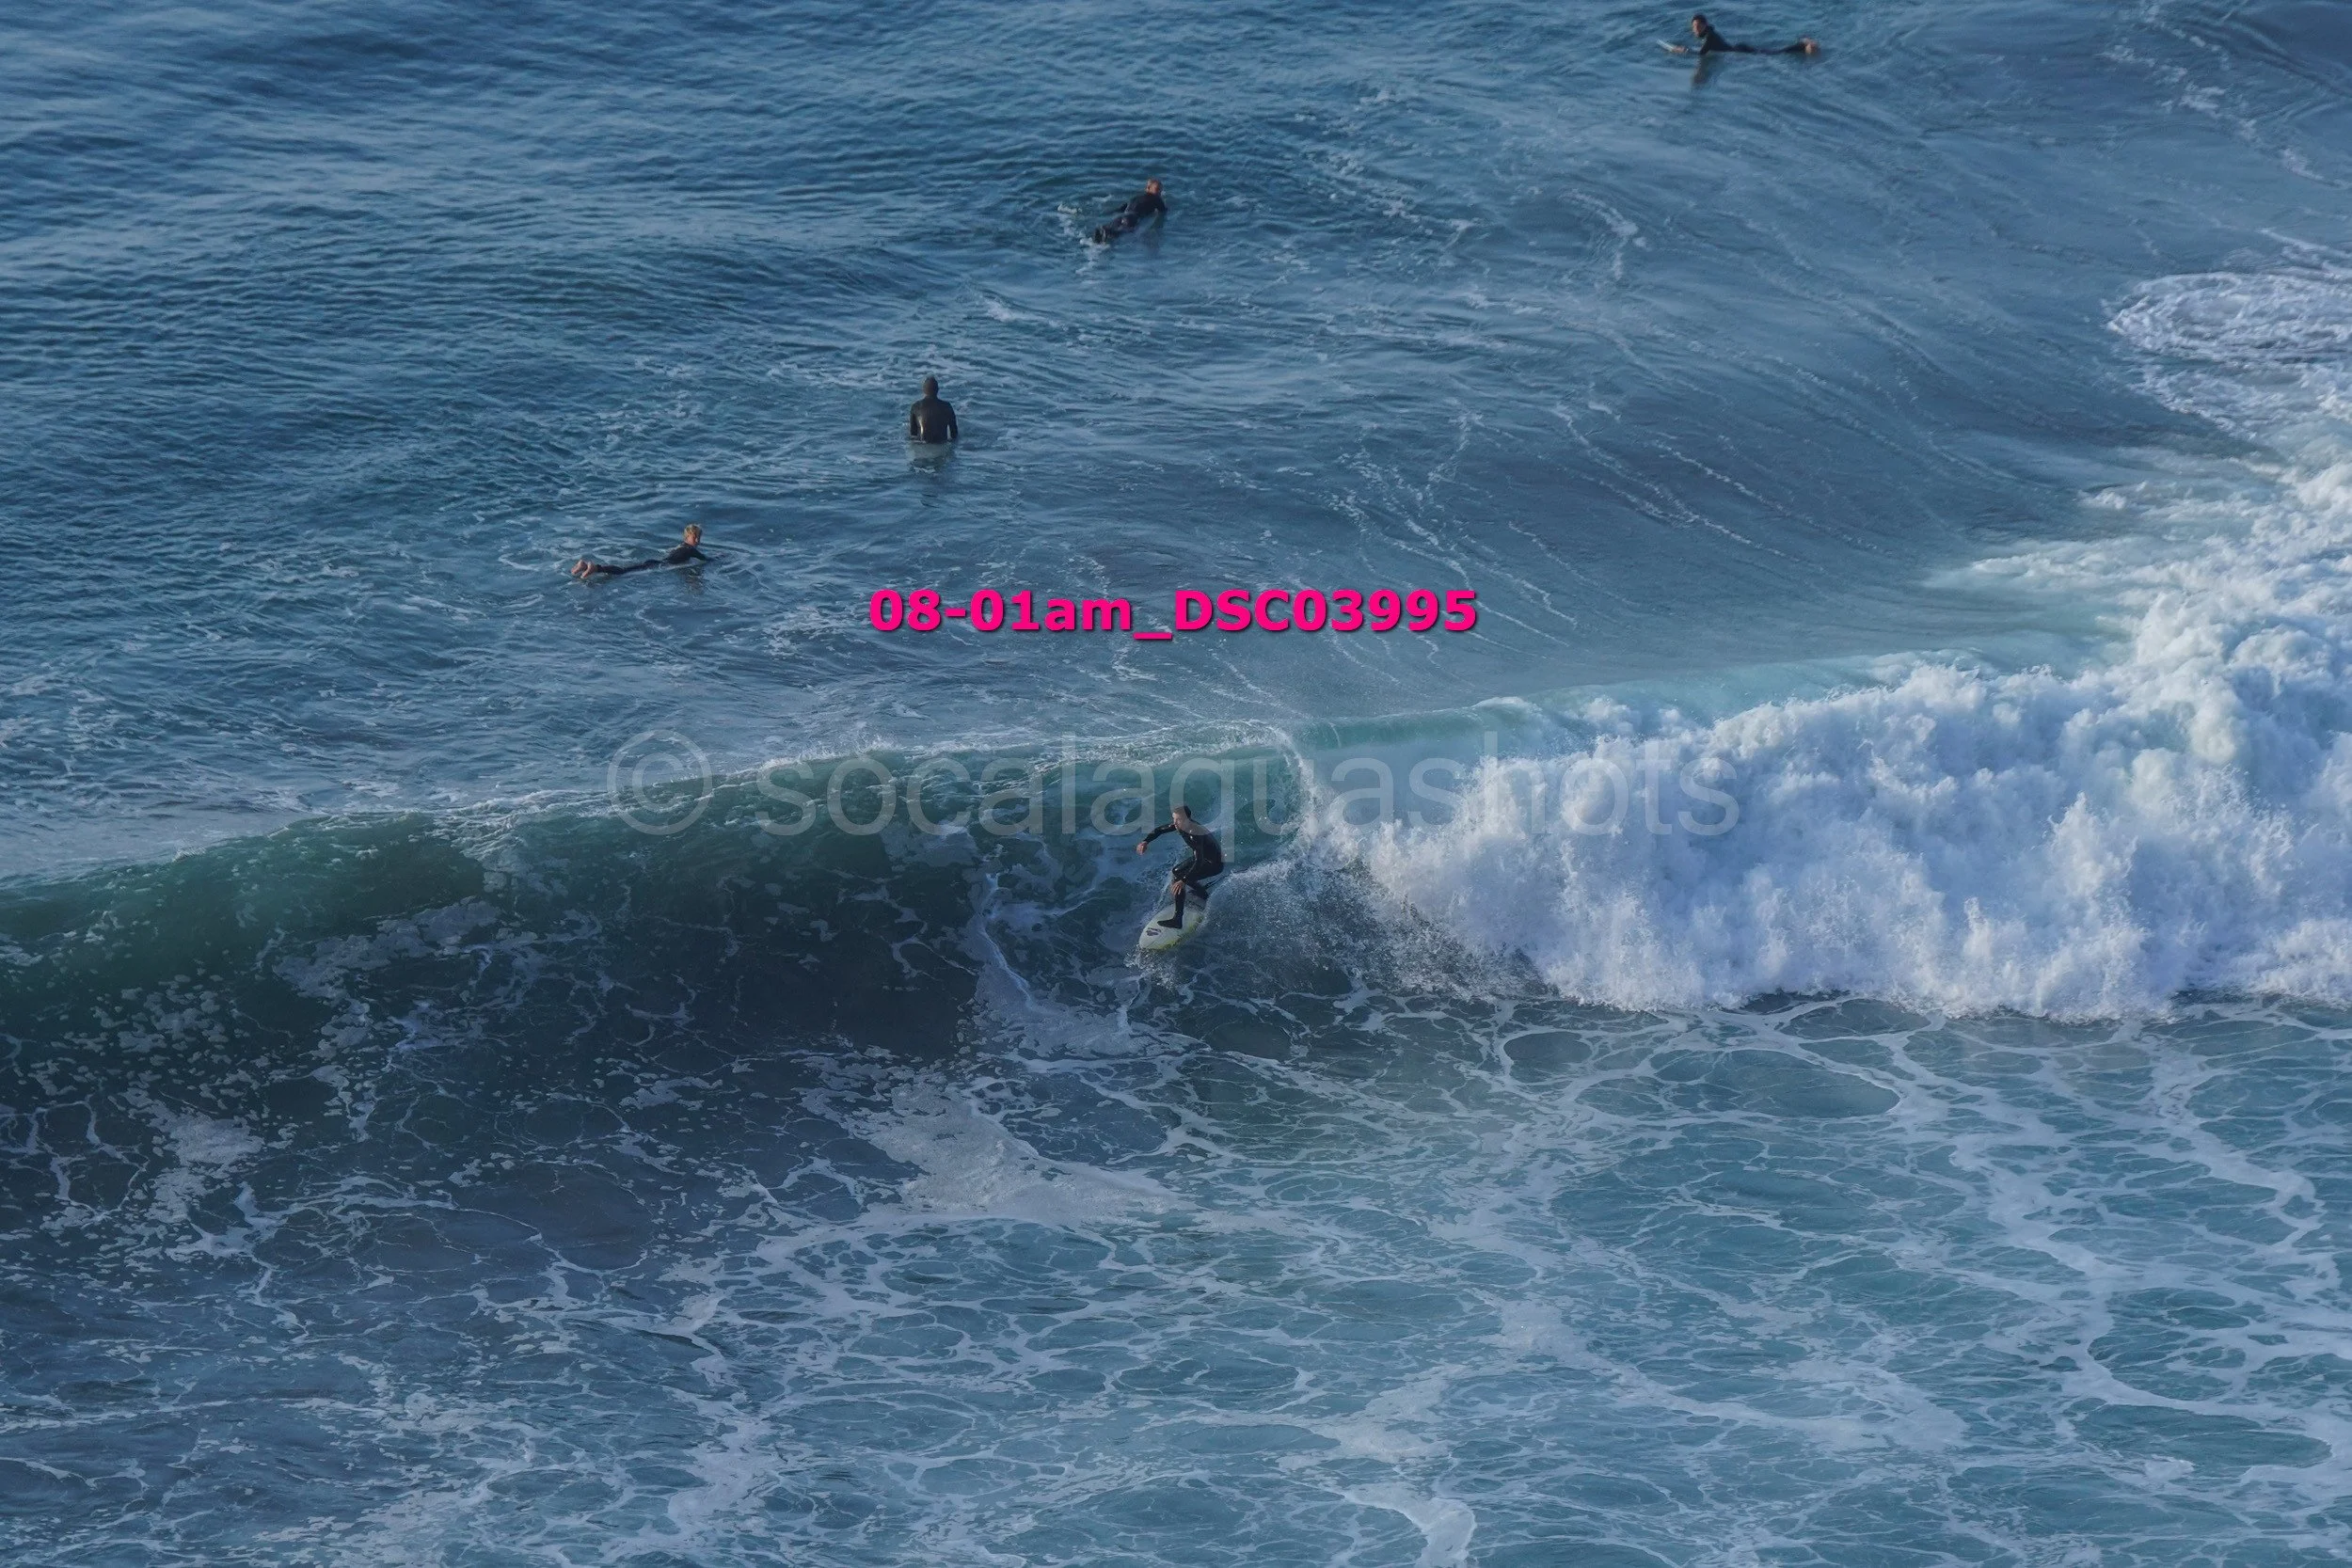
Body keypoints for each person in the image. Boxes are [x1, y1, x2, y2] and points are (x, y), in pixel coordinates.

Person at [1136, 802, 1223, 930]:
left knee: (1179, 878)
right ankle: (1202, 892)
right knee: (1176, 871)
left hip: (1214, 864)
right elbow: (1159, 830)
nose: (1175, 823)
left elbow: (1198, 862)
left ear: (1187, 819)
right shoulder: (1181, 825)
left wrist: (1183, 881)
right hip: (1205, 857)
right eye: (1173, 819)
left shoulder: (1194, 834)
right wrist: (1145, 841)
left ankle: (1177, 920)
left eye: (1178, 820)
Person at [572, 523, 710, 580]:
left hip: (656, 562)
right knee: (623, 572)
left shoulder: (680, 546)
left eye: (699, 537)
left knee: (626, 569)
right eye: (695, 537)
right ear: (687, 537)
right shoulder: (691, 550)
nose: (697, 540)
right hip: (658, 565)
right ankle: (595, 567)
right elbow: (705, 559)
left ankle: (585, 566)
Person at [1667, 12, 1818, 54]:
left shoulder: (1710, 36)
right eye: (1694, 26)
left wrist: (1682, 50)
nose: (1696, 29)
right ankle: (1802, 44)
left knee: (1774, 53)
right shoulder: (1708, 34)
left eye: (1699, 26)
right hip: (1738, 49)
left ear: (1705, 25)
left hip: (1740, 51)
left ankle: (1803, 44)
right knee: (1772, 52)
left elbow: (1702, 53)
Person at [1091, 178, 1167, 245]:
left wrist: (1107, 212)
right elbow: (1163, 210)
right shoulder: (1156, 198)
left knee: (1112, 227)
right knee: (1125, 231)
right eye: (1157, 189)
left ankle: (1102, 231)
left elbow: (1121, 209)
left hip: (1123, 216)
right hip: (1133, 217)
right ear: (1148, 188)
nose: (1159, 192)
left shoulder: (1136, 198)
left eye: (1161, 189)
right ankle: (1108, 232)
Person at [908, 376, 959, 444]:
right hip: (942, 445)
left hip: (922, 447)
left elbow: (913, 434)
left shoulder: (916, 406)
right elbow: (954, 434)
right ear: (937, 390)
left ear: (923, 390)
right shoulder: (947, 407)